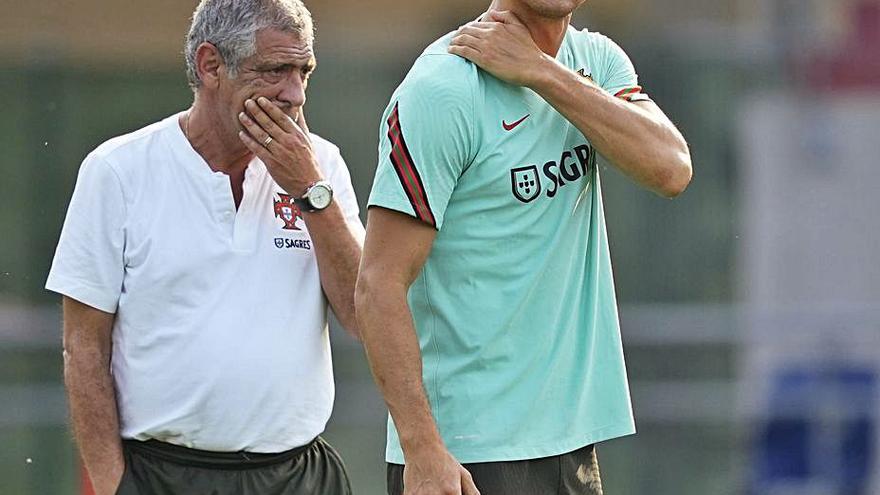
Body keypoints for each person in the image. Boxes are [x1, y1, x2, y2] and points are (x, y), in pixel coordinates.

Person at [355, 0, 693, 493]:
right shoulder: (442, 89)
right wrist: (422, 449)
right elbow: (377, 283)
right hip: (467, 456)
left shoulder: (596, 62)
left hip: (573, 447)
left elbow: (671, 168)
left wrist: (540, 71)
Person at [45, 1, 363, 493]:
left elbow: (362, 315)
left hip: (300, 474)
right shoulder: (117, 170)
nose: (294, 93)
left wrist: (310, 193)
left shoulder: (322, 166)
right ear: (210, 65)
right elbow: (84, 346)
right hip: (160, 473)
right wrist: (113, 484)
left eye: (304, 71)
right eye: (276, 70)